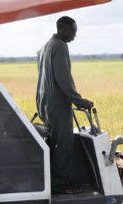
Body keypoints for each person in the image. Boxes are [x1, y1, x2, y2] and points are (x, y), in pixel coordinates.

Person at [36, 16, 94, 194]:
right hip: (57, 104)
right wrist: (79, 100)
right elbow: (64, 79)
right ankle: (59, 186)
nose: (75, 35)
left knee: (53, 143)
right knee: (63, 144)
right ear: (62, 28)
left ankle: (51, 182)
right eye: (73, 31)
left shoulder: (45, 47)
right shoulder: (60, 46)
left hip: (44, 102)